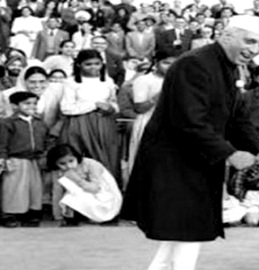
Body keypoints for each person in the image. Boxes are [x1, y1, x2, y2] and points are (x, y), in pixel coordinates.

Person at [121, 15, 259, 270]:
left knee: (183, 219)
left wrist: (257, 150)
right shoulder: (195, 63)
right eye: (249, 40)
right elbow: (189, 122)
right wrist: (230, 153)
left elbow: (237, 117)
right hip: (175, 156)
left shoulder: (229, 66)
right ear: (227, 35)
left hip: (195, 155)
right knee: (192, 221)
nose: (254, 49)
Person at [59, 49, 121, 183]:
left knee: (108, 157)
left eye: (97, 63)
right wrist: (94, 104)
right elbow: (66, 108)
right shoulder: (71, 82)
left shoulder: (107, 81)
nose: (93, 67)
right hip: (81, 125)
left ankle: (108, 191)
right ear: (79, 65)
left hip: (104, 123)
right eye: (88, 64)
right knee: (84, 158)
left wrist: (110, 108)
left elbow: (114, 103)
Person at [0, 91, 48, 228]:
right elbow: (2, 143)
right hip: (16, 159)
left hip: (35, 159)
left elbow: (46, 140)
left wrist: (45, 154)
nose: (32, 106)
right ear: (15, 106)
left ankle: (31, 213)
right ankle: (9, 214)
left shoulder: (39, 123)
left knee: (34, 187)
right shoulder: (8, 123)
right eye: (27, 103)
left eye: (34, 103)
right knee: (14, 187)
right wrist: (3, 159)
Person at [47, 144, 122, 226]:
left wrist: (76, 179)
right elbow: (57, 193)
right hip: (84, 194)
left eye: (71, 161)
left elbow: (95, 188)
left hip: (104, 195)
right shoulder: (58, 172)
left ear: (77, 157)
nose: (68, 166)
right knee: (69, 193)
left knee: (73, 192)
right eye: (62, 163)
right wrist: (58, 216)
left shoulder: (91, 164)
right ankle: (73, 217)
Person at [128, 51, 176, 172]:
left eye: (174, 64)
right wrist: (159, 96)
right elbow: (139, 108)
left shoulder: (180, 80)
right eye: (166, 63)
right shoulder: (143, 80)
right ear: (156, 62)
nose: (170, 67)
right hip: (148, 122)